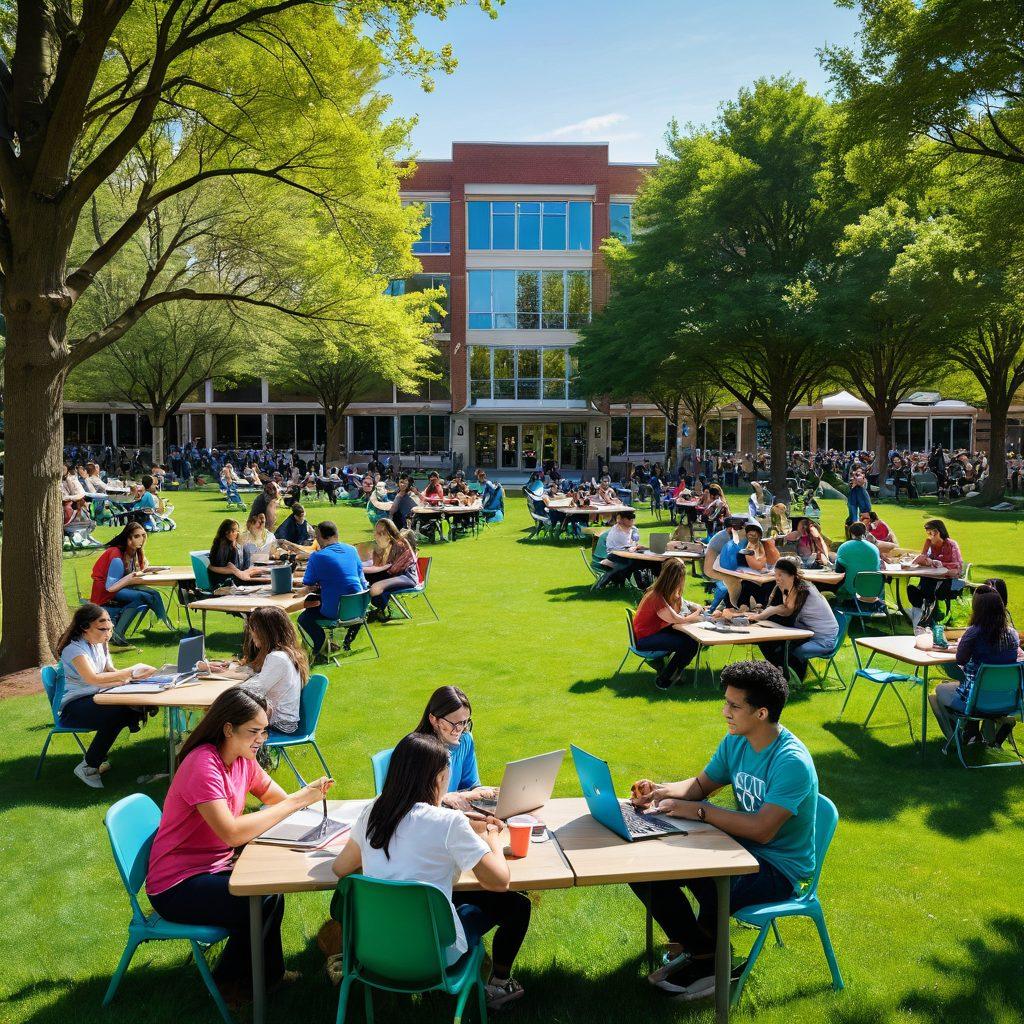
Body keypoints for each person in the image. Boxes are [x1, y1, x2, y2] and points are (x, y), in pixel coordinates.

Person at [629, 661, 818, 1001]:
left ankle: (706, 956)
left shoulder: (791, 762)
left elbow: (762, 831)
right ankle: (703, 949)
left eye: (733, 706)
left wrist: (702, 813)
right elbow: (700, 786)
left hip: (779, 869)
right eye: (726, 703)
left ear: (761, 713)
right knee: (644, 868)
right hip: (739, 847)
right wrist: (660, 791)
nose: (724, 712)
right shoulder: (736, 742)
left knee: (692, 878)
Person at [146, 688, 333, 1005]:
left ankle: (266, 976)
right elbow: (232, 833)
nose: (261, 738)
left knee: (270, 892)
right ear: (228, 728)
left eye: (264, 730)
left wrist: (300, 800)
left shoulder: (243, 759)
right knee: (257, 903)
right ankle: (230, 985)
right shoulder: (202, 765)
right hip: (176, 883)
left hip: (214, 866)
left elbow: (278, 800)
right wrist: (299, 800)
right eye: (253, 731)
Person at [332, 731, 529, 1010]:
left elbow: (340, 867)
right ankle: (498, 985)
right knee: (516, 906)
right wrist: (492, 839)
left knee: (441, 901)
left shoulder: (372, 811)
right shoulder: (447, 824)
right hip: (434, 955)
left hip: (375, 951)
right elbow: (499, 881)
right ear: (438, 778)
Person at [57, 603, 156, 788]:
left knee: (128, 708)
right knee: (119, 713)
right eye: (103, 629)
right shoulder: (74, 650)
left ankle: (93, 761)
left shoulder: (100, 643)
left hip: (95, 696)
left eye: (110, 628)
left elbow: (109, 670)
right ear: (85, 627)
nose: (108, 634)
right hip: (75, 706)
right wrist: (131, 673)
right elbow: (93, 678)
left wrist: (130, 680)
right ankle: (89, 765)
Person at [929, 587, 1022, 747]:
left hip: (977, 700)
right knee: (969, 688)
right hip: (1006, 699)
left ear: (977, 609)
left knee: (936, 693)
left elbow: (961, 659)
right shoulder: (1012, 634)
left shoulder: (974, 633)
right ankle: (990, 728)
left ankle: (956, 740)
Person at [202, 607, 308, 734]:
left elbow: (253, 689)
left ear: (265, 632)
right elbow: (256, 674)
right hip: (280, 720)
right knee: (219, 718)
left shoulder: (277, 658)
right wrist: (228, 669)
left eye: (253, 628)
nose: (251, 633)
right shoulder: (284, 654)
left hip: (279, 725)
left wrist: (220, 690)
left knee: (219, 721)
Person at [748, 558, 840, 681]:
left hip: (822, 638)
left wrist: (763, 615)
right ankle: (777, 674)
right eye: (775, 575)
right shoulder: (797, 585)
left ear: (792, 575)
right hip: (810, 632)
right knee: (770, 641)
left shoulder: (802, 589)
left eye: (781, 575)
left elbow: (787, 611)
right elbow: (784, 609)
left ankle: (788, 677)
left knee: (778, 644)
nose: (777, 578)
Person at [90, 522, 175, 645]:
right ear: (128, 539)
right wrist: (130, 579)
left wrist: (152, 568)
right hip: (105, 593)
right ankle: (118, 634)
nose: (141, 539)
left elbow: (136, 572)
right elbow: (110, 587)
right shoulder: (116, 557)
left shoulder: (134, 552)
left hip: (120, 588)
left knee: (154, 593)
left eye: (143, 535)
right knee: (144, 597)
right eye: (137, 536)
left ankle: (167, 624)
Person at [298, 520, 368, 657]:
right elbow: (361, 578)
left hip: (335, 611)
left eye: (317, 537)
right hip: (359, 607)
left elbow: (308, 582)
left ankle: (322, 649)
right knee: (316, 602)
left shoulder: (317, 557)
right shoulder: (352, 550)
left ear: (320, 537)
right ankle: (340, 643)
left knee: (304, 619)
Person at [631, 560, 703, 690]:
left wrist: (694, 607)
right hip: (645, 638)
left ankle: (672, 672)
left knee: (691, 640)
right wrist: (698, 613)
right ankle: (666, 678)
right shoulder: (656, 596)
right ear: (676, 579)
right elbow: (677, 619)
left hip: (653, 632)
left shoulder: (661, 591)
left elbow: (681, 602)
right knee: (688, 643)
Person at [907, 519, 964, 627]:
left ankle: (925, 619)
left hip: (947, 579)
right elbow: (922, 559)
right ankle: (921, 616)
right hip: (930, 577)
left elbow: (958, 566)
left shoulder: (951, 545)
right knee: (912, 589)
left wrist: (939, 563)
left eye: (930, 533)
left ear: (938, 532)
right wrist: (923, 557)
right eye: (927, 534)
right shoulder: (930, 544)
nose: (929, 536)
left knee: (928, 590)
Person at [366, 518, 419, 619]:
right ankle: (375, 610)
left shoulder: (400, 545)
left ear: (389, 533)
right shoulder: (382, 547)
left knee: (376, 587)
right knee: (365, 578)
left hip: (406, 576)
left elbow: (392, 569)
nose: (378, 536)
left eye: (382, 533)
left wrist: (375, 568)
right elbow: (379, 566)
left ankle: (378, 610)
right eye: (377, 532)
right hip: (394, 574)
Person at [595, 509, 647, 590]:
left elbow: (632, 544)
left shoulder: (630, 528)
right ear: (622, 519)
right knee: (633, 563)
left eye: (633, 518)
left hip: (624, 555)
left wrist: (636, 545)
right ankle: (642, 586)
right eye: (629, 519)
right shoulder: (618, 530)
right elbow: (626, 547)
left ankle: (641, 586)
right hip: (614, 555)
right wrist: (636, 546)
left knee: (635, 562)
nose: (632, 520)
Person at [208, 519, 268, 585]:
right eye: (232, 531)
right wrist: (237, 571)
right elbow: (224, 566)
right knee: (263, 579)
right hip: (227, 579)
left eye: (235, 531)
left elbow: (245, 567)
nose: (235, 533)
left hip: (236, 575)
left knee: (260, 571)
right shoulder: (222, 546)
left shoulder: (237, 545)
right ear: (225, 532)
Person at [834, 522, 882, 604]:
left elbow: (838, 571)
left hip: (852, 589)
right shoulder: (874, 548)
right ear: (865, 532)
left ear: (851, 533)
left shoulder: (844, 547)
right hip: (873, 588)